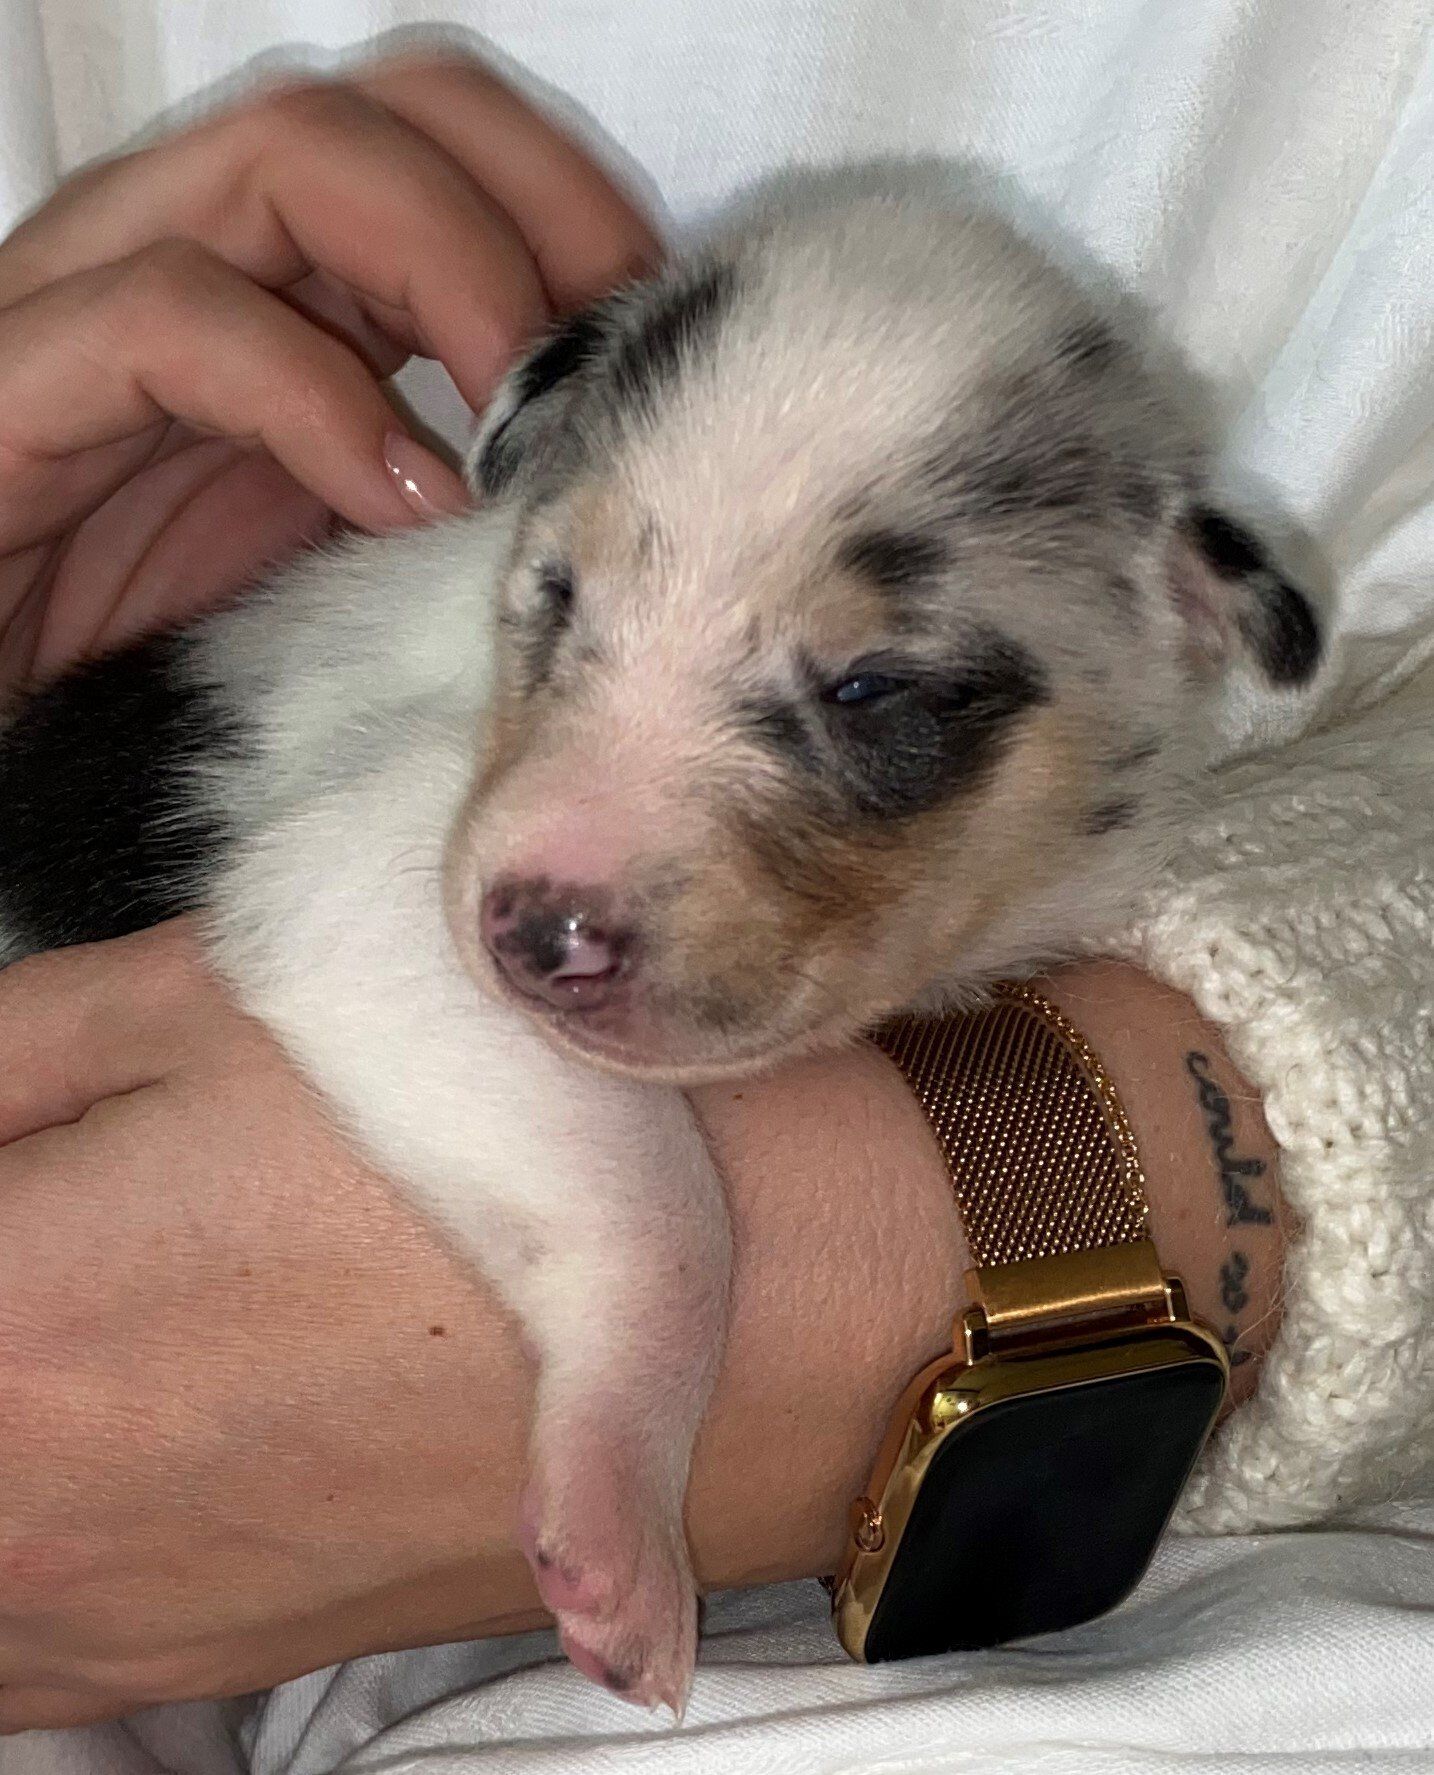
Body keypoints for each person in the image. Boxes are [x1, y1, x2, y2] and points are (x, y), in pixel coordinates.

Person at [0, 39, 1428, 1763]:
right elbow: (342, 935)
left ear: (1191, 618)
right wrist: (643, 1316)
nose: (560, 882)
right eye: (558, 603)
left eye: (868, 697)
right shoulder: (422, 723)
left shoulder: (1155, 688)